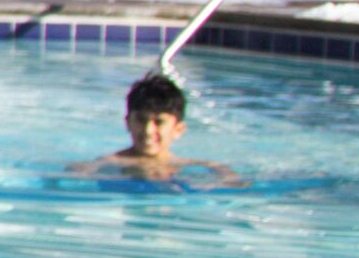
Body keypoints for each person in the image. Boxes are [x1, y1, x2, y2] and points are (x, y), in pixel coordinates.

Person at [74, 71, 243, 186]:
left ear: (178, 129)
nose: (148, 130)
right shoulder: (109, 162)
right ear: (127, 123)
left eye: (159, 122)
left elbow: (231, 179)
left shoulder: (193, 165)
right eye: (141, 120)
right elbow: (77, 175)